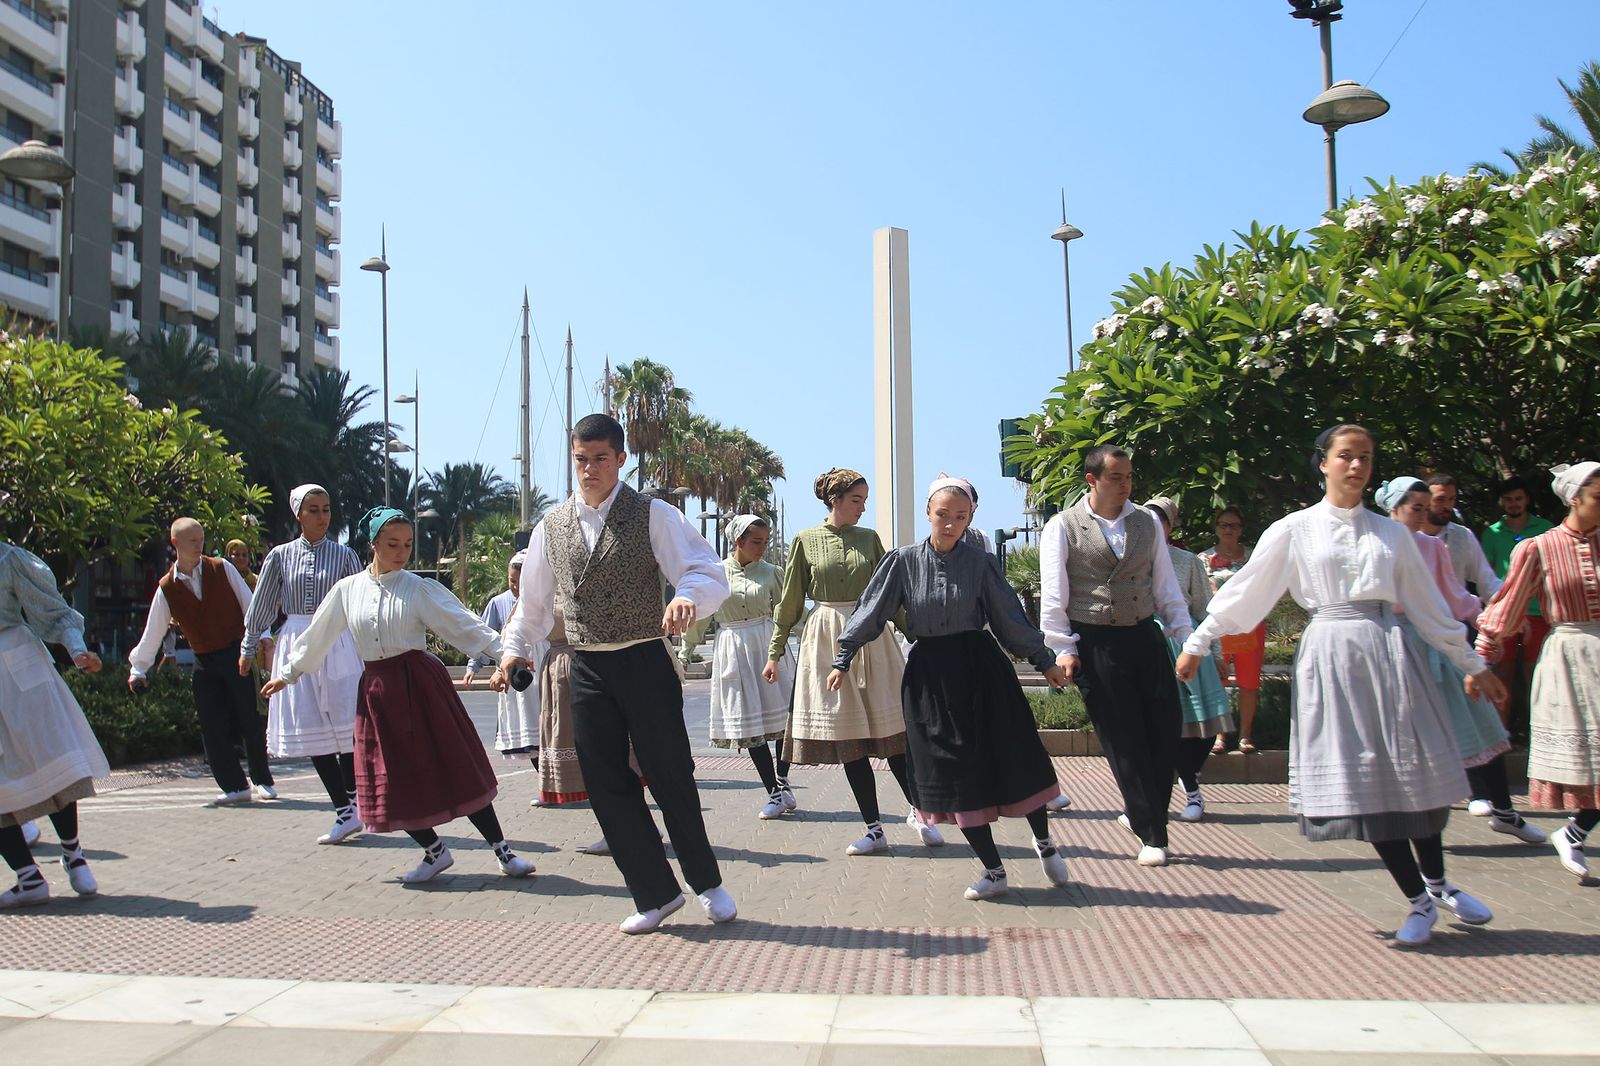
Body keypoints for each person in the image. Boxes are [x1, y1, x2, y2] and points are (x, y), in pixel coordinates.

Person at [1178, 426, 1508, 947]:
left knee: (1414, 771)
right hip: (1332, 656)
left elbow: (1429, 608)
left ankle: (1439, 882)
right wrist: (1199, 641)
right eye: (1346, 457)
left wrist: (1472, 663)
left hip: (1393, 653)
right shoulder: (1295, 529)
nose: (1356, 466)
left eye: (1365, 458)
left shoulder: (1393, 534)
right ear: (1324, 464)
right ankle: (1418, 901)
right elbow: (1248, 592)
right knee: (1368, 783)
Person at [496, 414, 736, 935]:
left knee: (670, 774)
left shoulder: (653, 514)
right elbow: (532, 608)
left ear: (621, 459)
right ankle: (654, 892)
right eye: (581, 460)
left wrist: (687, 599)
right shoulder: (551, 526)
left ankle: (707, 882)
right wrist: (513, 651)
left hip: (645, 659)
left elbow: (705, 571)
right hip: (585, 665)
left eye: (601, 459)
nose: (589, 469)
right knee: (605, 783)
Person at [263, 508, 535, 884]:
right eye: (392, 544)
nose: (401, 552)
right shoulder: (347, 591)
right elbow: (317, 636)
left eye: (407, 544)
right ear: (372, 543)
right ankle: (434, 852)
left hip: (421, 685)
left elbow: (463, 623)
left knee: (454, 763)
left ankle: (503, 852)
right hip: (376, 691)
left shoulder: (417, 587)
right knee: (388, 779)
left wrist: (507, 654)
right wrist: (287, 674)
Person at [830, 478, 1071, 901]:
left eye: (960, 517)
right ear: (929, 513)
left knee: (1011, 756)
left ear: (970, 518)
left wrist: (1045, 661)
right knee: (953, 773)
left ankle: (1044, 841)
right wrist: (843, 658)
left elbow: (1009, 619)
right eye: (943, 515)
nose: (950, 524)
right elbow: (871, 611)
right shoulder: (902, 562)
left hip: (981, 671)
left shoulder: (980, 563)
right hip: (930, 677)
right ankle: (993, 871)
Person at [765, 467, 943, 856]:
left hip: (873, 634)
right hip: (826, 639)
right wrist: (775, 651)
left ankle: (920, 812)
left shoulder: (870, 539)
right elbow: (791, 602)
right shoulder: (805, 540)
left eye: (865, 500)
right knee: (851, 741)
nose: (863, 508)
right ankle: (874, 828)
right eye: (856, 500)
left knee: (893, 734)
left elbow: (891, 592)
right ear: (835, 500)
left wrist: (921, 634)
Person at [1040, 445, 1191, 866]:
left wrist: (1187, 639)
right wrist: (1064, 648)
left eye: (1129, 477)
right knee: (1123, 738)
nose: (1125, 485)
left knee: (1165, 730)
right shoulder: (1062, 526)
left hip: (1144, 635)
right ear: (1092, 480)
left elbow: (1166, 587)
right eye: (1116, 477)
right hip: (1094, 640)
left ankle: (1144, 815)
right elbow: (1054, 595)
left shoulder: (1146, 523)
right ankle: (1153, 833)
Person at [1375, 477, 1544, 846]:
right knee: (1406, 736)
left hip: (1437, 643)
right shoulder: (1374, 546)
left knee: (1482, 722)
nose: (1422, 515)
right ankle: (1406, 820)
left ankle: (1504, 810)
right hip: (1390, 647)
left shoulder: (1432, 547)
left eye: (1425, 507)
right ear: (1393, 508)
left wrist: (1499, 622)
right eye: (1414, 507)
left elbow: (1455, 596)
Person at [1476, 462, 1600, 880]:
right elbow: (1505, 608)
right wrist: (1481, 660)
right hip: (1571, 657)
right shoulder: (1540, 547)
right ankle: (1575, 830)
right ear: (1575, 498)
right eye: (1598, 497)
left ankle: (1575, 831)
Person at [240, 485, 365, 845]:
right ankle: (343, 809)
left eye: (326, 509)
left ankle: (354, 802)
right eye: (313, 510)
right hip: (295, 637)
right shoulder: (279, 556)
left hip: (339, 640)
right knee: (311, 725)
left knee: (347, 727)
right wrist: (249, 647)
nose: (322, 517)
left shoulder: (344, 555)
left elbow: (358, 601)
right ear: (298, 514)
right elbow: (261, 604)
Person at [129, 518, 275, 806]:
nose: (199, 545)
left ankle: (262, 779)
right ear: (176, 544)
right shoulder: (167, 587)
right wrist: (138, 668)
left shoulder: (222, 568)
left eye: (201, 538)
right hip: (204, 658)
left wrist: (263, 635)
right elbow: (153, 631)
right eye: (192, 540)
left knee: (249, 717)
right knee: (211, 722)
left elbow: (251, 605)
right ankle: (234, 785)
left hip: (236, 652)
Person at [0, 537, 110, 907]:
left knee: (54, 758)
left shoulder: (9, 559)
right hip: (16, 668)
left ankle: (73, 853)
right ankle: (28, 876)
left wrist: (77, 649)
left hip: (16, 667)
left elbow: (52, 612)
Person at [681, 514, 799, 820]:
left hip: (769, 646)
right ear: (738, 542)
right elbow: (702, 615)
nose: (761, 548)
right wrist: (686, 650)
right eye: (755, 542)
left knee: (784, 722)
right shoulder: (717, 573)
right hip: (733, 646)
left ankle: (782, 780)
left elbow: (790, 611)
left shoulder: (773, 572)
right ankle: (773, 793)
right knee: (751, 725)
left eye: (765, 542)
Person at [1146, 497, 1233, 824]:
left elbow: (1204, 610)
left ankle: (1187, 780)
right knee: (1165, 725)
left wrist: (1216, 652)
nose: (1153, 526)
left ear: (1170, 525)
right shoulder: (1131, 558)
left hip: (1186, 642)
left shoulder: (1187, 561)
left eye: (1161, 520)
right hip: (1150, 646)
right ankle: (1188, 792)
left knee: (1206, 722)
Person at [1479, 475, 1556, 751]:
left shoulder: (1545, 529)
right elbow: (1485, 574)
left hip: (1538, 613)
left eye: (1519, 498)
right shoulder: (1492, 533)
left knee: (1537, 675)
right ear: (1502, 502)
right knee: (1503, 674)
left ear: (1527, 500)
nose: (1514, 504)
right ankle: (1501, 738)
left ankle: (1541, 738)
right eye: (1509, 499)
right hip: (1505, 615)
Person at [465, 550, 547, 780]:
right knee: (529, 736)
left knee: (549, 729)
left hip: (542, 671)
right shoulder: (499, 603)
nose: (516, 587)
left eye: (521, 582)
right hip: (517, 675)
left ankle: (557, 783)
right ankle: (545, 783)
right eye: (512, 581)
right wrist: (474, 666)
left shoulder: (544, 600)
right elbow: (485, 635)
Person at [1198, 507, 1266, 755]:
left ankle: (1246, 735)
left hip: (1250, 626)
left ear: (1241, 529)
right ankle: (1219, 736)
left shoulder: (1254, 558)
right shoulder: (1203, 559)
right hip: (1218, 630)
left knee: (1249, 683)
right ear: (1216, 527)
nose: (1229, 530)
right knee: (1218, 681)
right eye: (1224, 525)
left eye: (1234, 525)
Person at [1422, 473, 1502, 601]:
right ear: (1424, 500)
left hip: (1454, 617)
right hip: (1412, 618)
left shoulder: (1463, 536)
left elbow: (1487, 581)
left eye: (1451, 499)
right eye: (1440, 499)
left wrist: (1511, 601)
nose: (1447, 506)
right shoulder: (1407, 536)